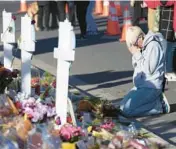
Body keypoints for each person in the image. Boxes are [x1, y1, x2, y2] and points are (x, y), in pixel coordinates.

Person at [120, 26, 170, 117]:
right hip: (141, 86)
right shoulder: (142, 47)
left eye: (134, 44)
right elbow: (137, 67)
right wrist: (136, 55)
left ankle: (159, 106)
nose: (135, 46)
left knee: (127, 111)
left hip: (151, 87)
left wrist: (137, 54)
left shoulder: (153, 46)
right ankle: (153, 103)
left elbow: (149, 70)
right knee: (122, 107)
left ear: (140, 37)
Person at [159, 0, 176, 81]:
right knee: (170, 47)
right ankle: (168, 70)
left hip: (171, 19)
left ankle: (169, 70)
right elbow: (164, 1)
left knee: (171, 47)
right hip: (169, 20)